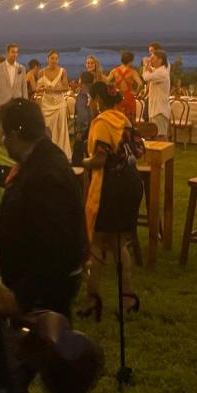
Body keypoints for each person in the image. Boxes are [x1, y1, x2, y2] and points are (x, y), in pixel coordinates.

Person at [0, 98, 88, 316]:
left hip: (45, 295)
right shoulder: (42, 157)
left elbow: (57, 246)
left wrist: (15, 294)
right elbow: (6, 176)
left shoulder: (44, 176)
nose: (2, 139)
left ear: (13, 135)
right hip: (42, 287)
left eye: (3, 133)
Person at [79, 82, 140, 321]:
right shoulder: (123, 119)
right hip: (130, 183)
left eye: (92, 98)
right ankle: (128, 298)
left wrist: (82, 163)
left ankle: (92, 299)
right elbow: (138, 150)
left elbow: (100, 159)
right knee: (119, 243)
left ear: (97, 100)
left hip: (109, 187)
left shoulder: (102, 123)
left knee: (96, 243)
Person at [36, 50, 72, 159]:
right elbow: (38, 88)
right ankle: (47, 153)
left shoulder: (62, 71)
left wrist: (55, 89)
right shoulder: (41, 72)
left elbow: (66, 87)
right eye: (52, 58)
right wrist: (42, 88)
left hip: (59, 104)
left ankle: (61, 154)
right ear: (48, 59)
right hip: (46, 104)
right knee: (47, 128)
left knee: (60, 129)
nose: (54, 61)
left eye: (56, 58)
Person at [142, 49, 171, 138]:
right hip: (155, 109)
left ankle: (165, 152)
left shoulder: (162, 73)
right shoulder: (160, 71)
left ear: (160, 60)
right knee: (155, 135)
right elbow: (152, 72)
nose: (150, 60)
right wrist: (148, 67)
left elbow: (146, 77)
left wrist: (146, 66)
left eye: (153, 58)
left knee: (160, 136)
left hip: (159, 110)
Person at [107, 51, 143, 123]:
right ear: (130, 61)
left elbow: (106, 82)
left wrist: (112, 91)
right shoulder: (132, 72)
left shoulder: (114, 71)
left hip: (117, 97)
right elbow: (140, 84)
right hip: (129, 96)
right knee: (130, 120)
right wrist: (136, 93)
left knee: (117, 119)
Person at [0, 43, 28, 112]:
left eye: (16, 52)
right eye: (13, 52)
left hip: (18, 103)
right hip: (3, 103)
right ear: (7, 53)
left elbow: (24, 88)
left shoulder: (22, 68)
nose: (15, 54)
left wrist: (25, 104)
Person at [72, 71, 95, 167]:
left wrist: (80, 131)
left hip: (85, 128)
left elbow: (82, 114)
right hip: (93, 125)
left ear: (81, 81)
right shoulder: (92, 93)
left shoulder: (82, 94)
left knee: (77, 157)